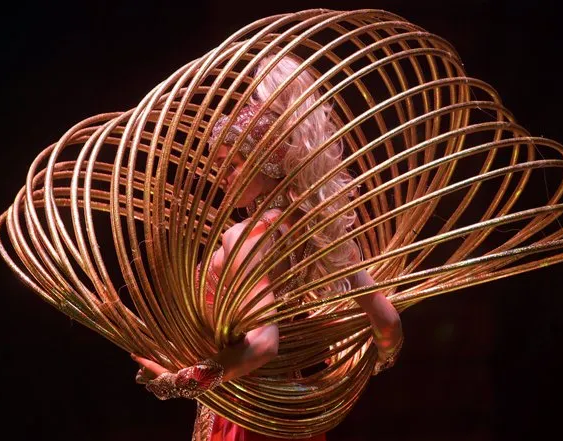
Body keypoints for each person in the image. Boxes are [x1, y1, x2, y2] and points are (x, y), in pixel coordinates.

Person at [132, 54, 404, 441]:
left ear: (266, 163)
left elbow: (263, 345)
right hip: (292, 418)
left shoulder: (248, 236)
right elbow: (390, 325)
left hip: (244, 420)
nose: (222, 178)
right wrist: (354, 371)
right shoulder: (323, 236)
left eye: (231, 164)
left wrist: (183, 382)